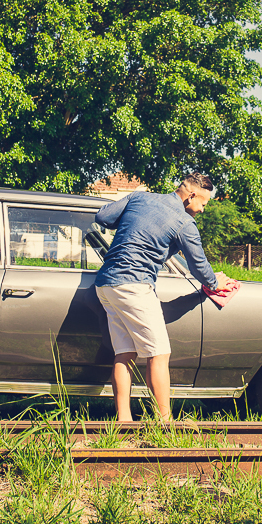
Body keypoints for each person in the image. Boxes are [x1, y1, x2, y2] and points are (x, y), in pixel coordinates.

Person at [93, 172, 229, 421]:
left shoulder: (139, 198)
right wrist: (214, 282)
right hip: (134, 285)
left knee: (125, 352)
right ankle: (164, 423)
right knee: (159, 353)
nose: (202, 210)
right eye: (203, 203)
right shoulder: (184, 223)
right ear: (191, 195)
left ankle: (123, 421)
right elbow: (198, 266)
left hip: (105, 283)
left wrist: (130, 223)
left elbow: (102, 216)